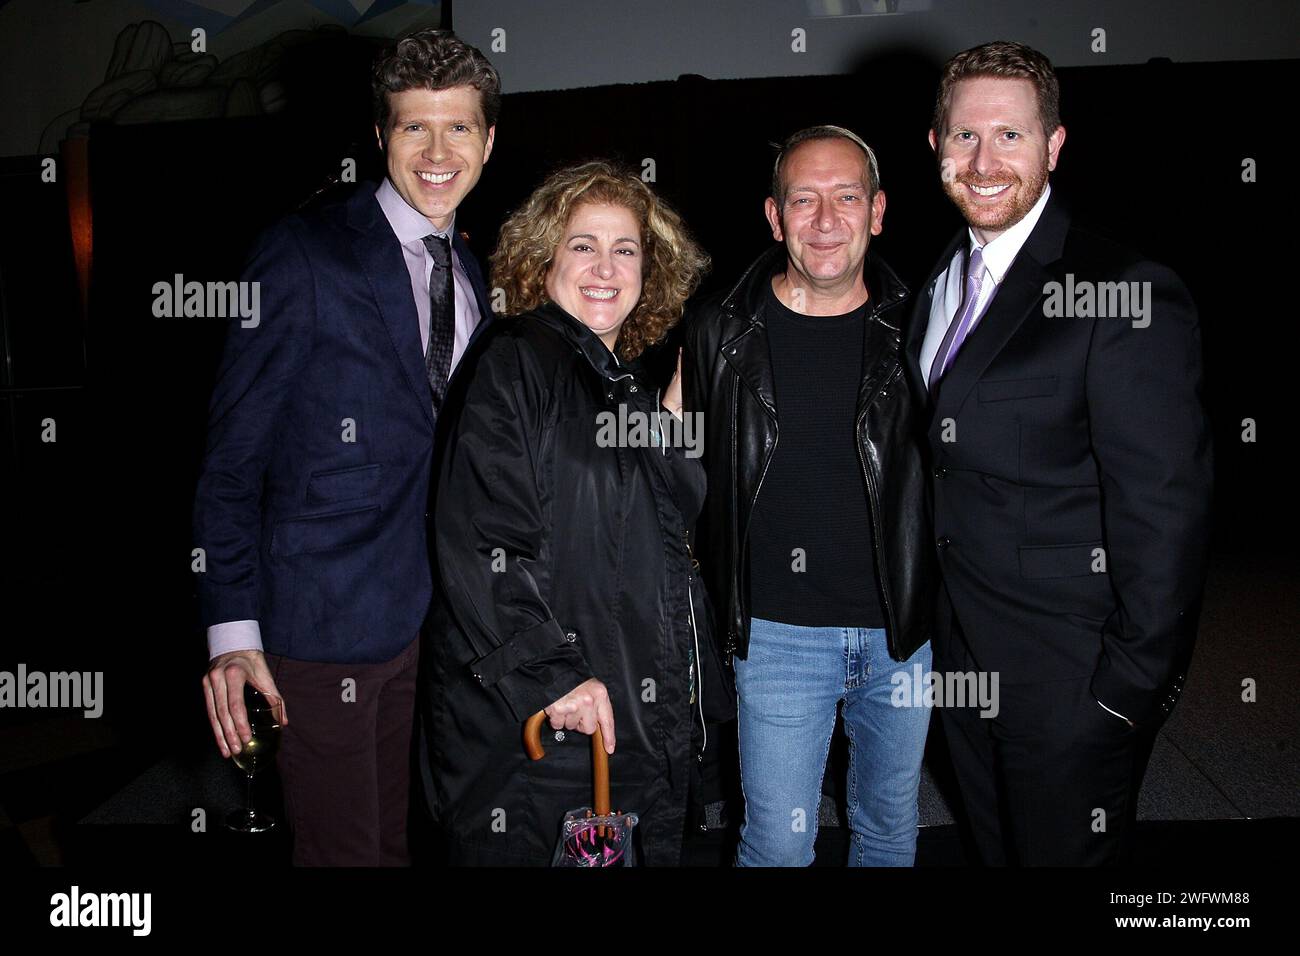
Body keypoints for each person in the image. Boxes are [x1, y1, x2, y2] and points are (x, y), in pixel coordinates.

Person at [193, 29, 498, 865]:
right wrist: (232, 635)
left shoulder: (468, 272)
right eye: (413, 128)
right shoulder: (301, 253)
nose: (438, 153)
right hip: (319, 623)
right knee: (342, 851)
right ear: (379, 137)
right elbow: (230, 462)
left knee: (394, 843)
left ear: (489, 139)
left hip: (428, 623)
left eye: (459, 128)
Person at [906, 40, 1213, 865]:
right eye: (965, 136)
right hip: (963, 669)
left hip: (1072, 684)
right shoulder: (939, 280)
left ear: (1054, 145)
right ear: (935, 145)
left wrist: (1125, 692)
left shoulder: (1124, 291)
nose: (985, 160)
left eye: (1011, 136)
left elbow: (1166, 509)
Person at [426, 161, 711, 866]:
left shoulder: (617, 378)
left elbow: (645, 529)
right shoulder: (518, 361)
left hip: (622, 707)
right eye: (583, 244)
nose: (605, 267)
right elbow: (484, 543)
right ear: (544, 257)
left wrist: (665, 429)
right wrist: (554, 676)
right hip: (540, 722)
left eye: (626, 249)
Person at [683, 127, 936, 866]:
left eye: (846, 197)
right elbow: (659, 459)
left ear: (879, 210)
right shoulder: (719, 333)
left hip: (901, 637)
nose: (826, 220)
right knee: (778, 846)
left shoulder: (924, 328)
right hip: (777, 638)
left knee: (890, 832)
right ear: (774, 216)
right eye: (804, 199)